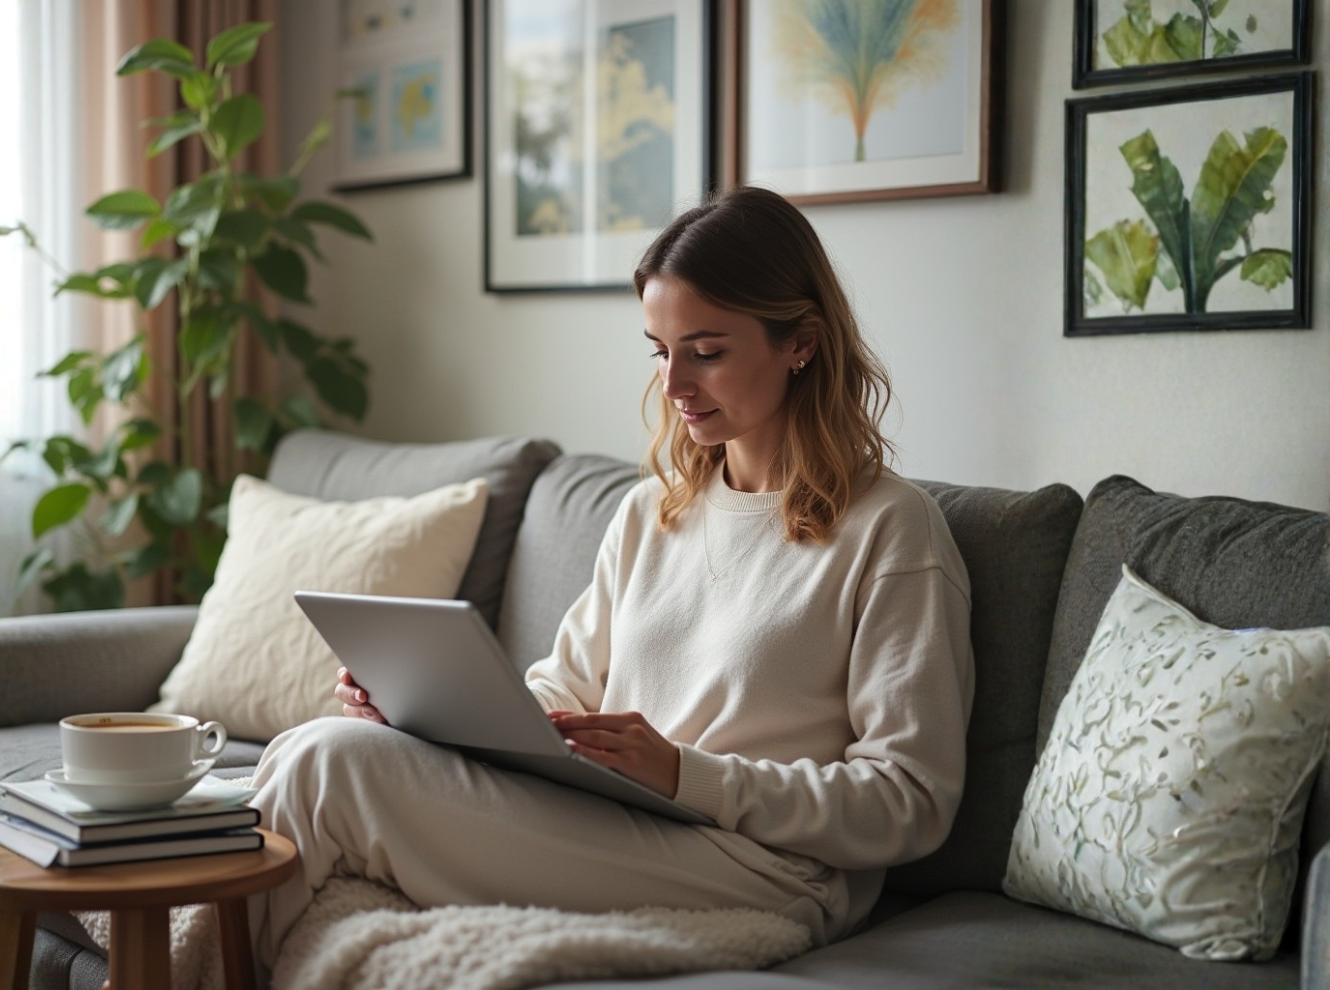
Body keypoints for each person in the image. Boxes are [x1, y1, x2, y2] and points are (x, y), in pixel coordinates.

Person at [245, 184, 975, 971]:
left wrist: (688, 776)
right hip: (612, 821)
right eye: (662, 352)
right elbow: (562, 693)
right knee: (315, 747)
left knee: (326, 766)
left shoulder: (891, 530)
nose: (674, 386)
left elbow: (911, 801)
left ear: (800, 342)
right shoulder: (651, 511)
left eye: (708, 351)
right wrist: (426, 713)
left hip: (761, 863)